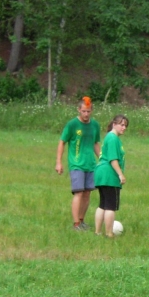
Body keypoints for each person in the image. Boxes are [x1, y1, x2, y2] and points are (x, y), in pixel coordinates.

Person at [55, 96, 101, 230]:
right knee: (79, 192)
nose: (86, 114)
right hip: (76, 164)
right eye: (84, 111)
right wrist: (58, 162)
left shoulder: (95, 125)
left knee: (87, 193)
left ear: (91, 111)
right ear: (79, 110)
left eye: (88, 111)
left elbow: (95, 143)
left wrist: (103, 159)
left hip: (90, 164)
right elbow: (62, 142)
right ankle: (76, 224)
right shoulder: (72, 125)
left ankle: (81, 220)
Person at [94, 115, 128, 237]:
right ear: (114, 124)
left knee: (102, 204)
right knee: (110, 206)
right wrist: (120, 175)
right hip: (109, 175)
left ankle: (97, 232)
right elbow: (113, 159)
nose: (124, 128)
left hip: (101, 174)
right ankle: (109, 233)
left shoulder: (109, 137)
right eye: (121, 125)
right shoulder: (113, 138)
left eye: (125, 125)